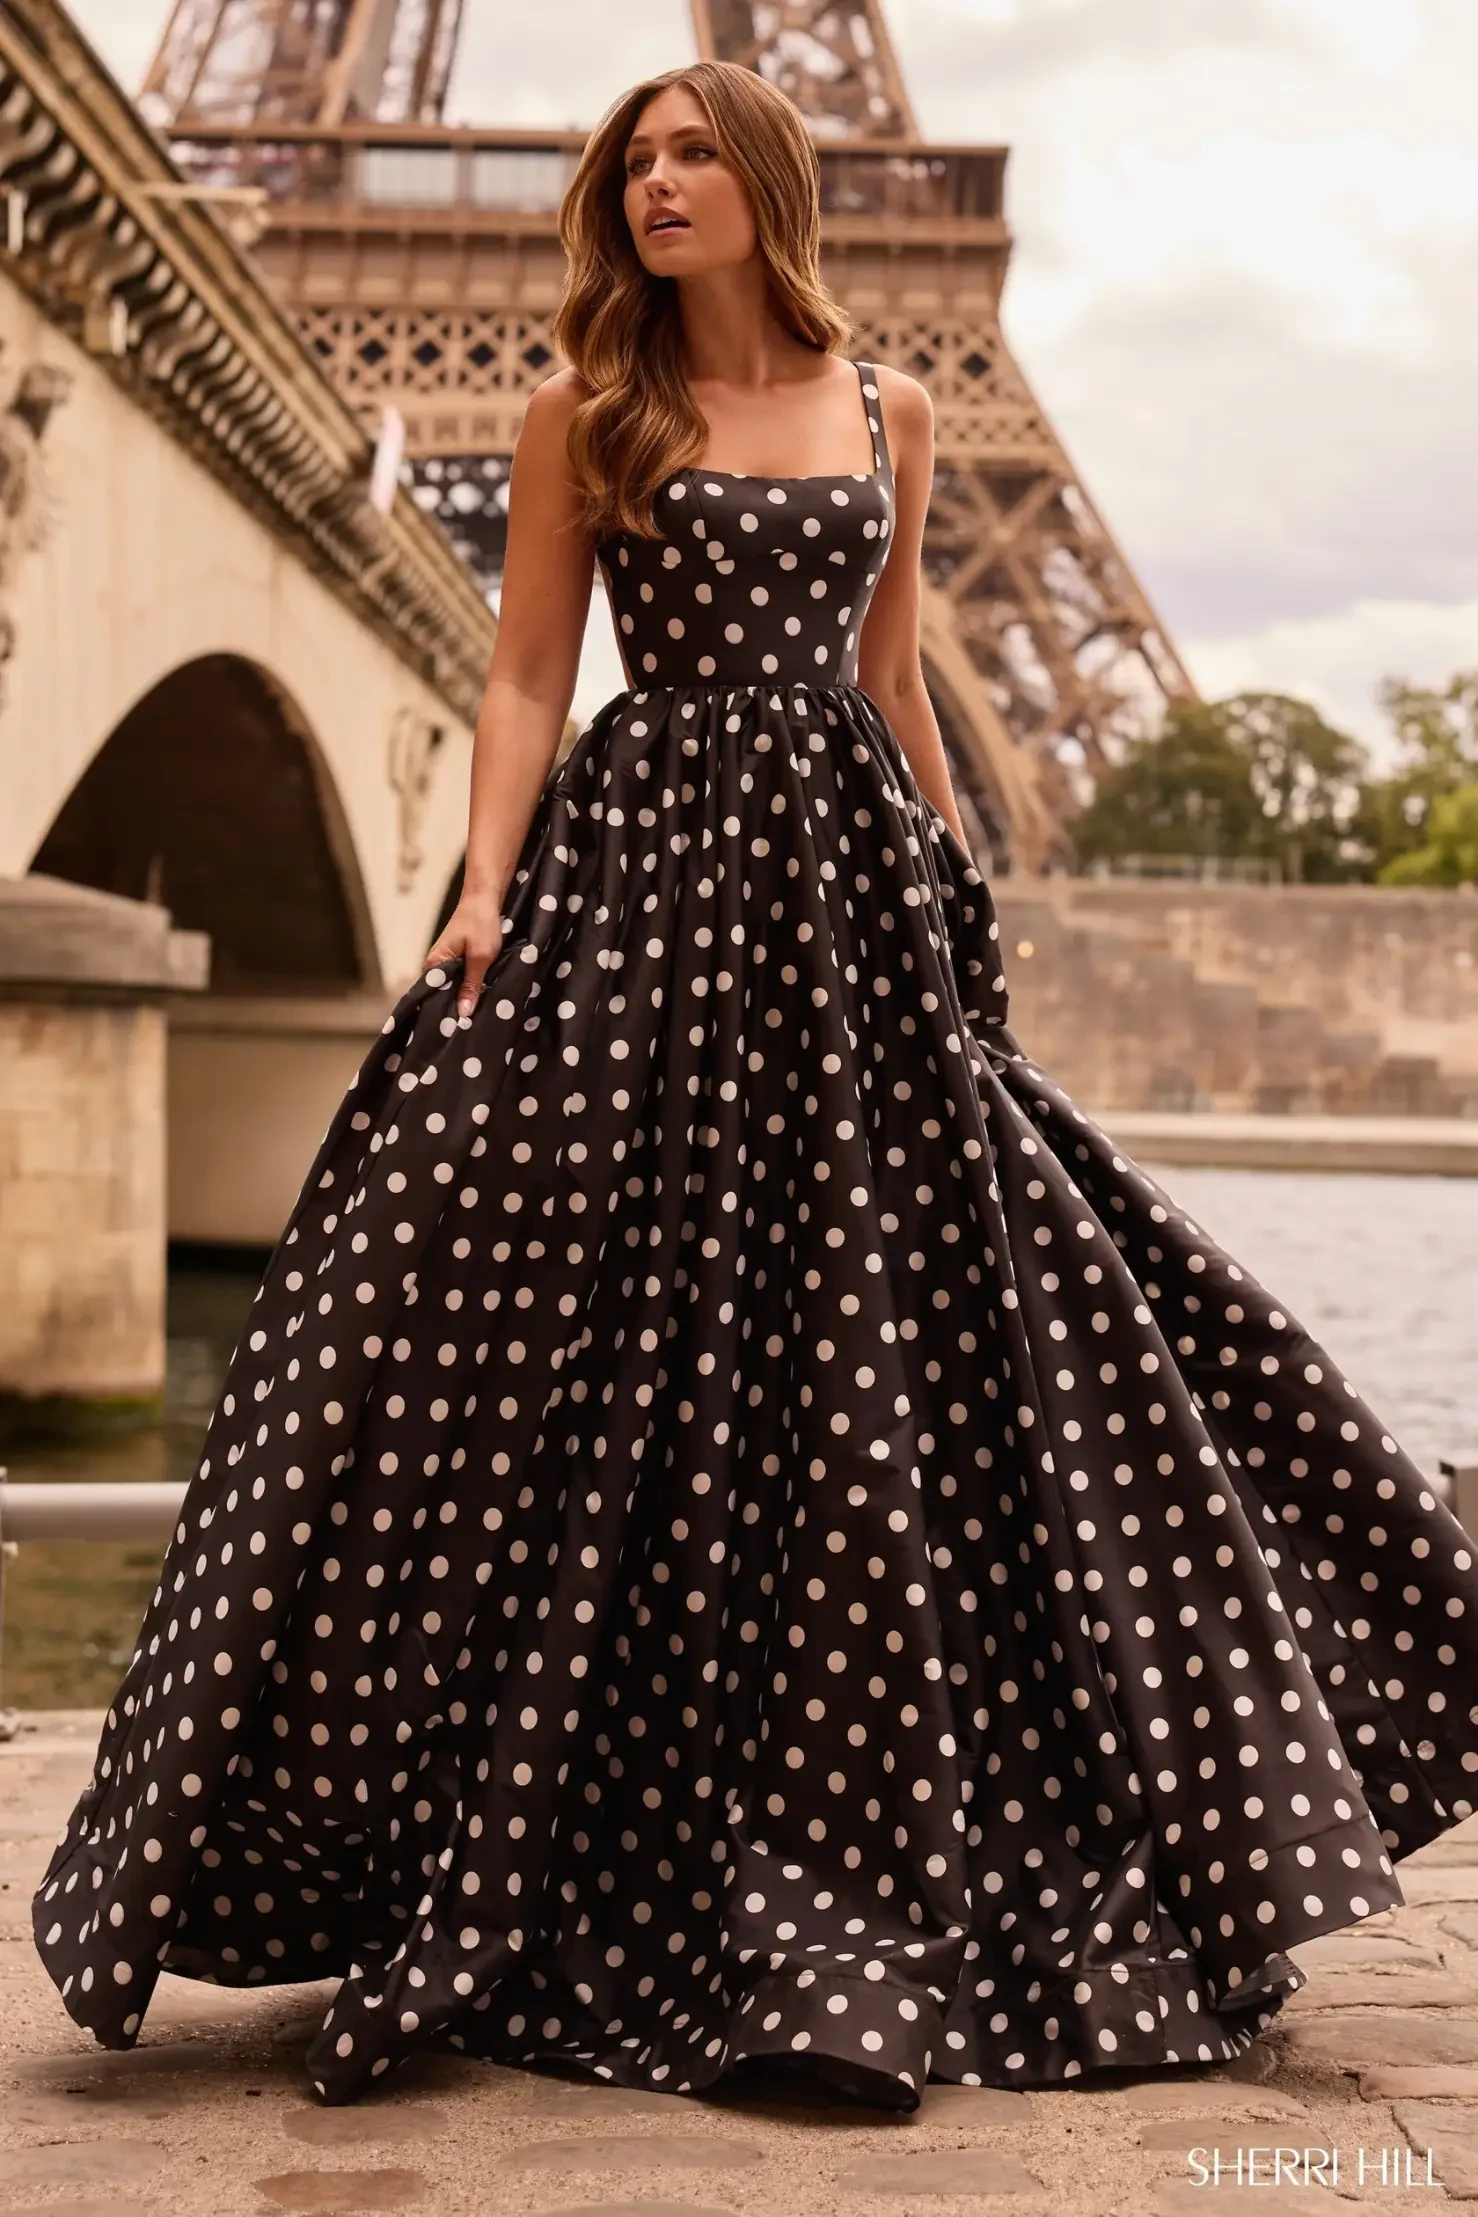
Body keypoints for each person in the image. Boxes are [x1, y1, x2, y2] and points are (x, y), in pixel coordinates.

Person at [32, 58, 1478, 2115]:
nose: (657, 185)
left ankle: (927, 1856)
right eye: (635, 162)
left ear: (770, 180)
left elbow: (894, 687)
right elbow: (529, 671)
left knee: (913, 1332)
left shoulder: (891, 408)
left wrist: (955, 883)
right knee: (550, 1319)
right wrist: (483, 897)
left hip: (842, 901)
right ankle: (556, 1841)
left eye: (695, 154)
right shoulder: (582, 412)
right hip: (648, 888)